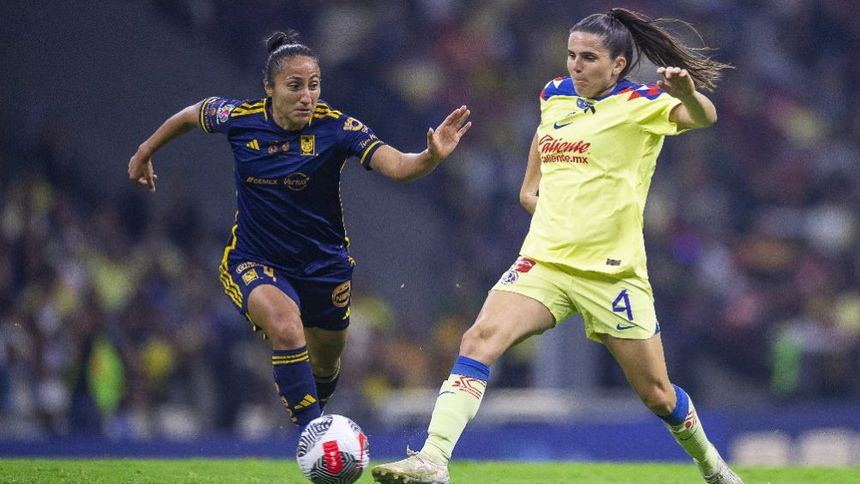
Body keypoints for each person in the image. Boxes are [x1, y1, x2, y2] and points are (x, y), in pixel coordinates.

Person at [373, 8, 741, 484]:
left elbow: (704, 116)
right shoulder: (555, 94)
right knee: (479, 340)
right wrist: (530, 188)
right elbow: (545, 136)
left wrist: (686, 92)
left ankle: (713, 467)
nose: (576, 66)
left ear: (618, 65)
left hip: (612, 275)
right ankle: (433, 459)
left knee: (658, 395)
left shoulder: (642, 103)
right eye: (571, 55)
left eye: (589, 58)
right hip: (544, 263)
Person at [127, 30, 471, 431]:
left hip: (324, 267)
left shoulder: (336, 128)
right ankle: (314, 435)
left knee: (326, 360)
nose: (307, 96)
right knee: (287, 328)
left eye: (314, 85)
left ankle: (307, 413)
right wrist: (145, 150)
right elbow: (192, 113)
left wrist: (430, 157)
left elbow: (397, 166)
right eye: (295, 86)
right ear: (269, 88)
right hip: (255, 259)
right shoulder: (241, 119)